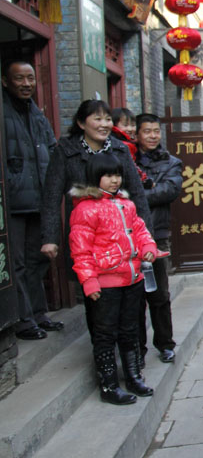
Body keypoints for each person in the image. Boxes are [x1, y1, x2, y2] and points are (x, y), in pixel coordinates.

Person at [68, 154, 157, 405]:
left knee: (130, 330)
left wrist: (148, 246)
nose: (114, 180)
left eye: (117, 175)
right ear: (95, 178)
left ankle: (133, 376)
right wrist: (89, 280)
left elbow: (139, 230)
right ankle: (108, 385)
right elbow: (80, 249)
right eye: (108, 175)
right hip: (105, 283)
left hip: (132, 278)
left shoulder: (126, 205)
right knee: (105, 333)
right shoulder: (85, 209)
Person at [40, 100, 150, 273]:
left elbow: (137, 194)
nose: (104, 124)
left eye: (107, 119)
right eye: (98, 119)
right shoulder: (66, 151)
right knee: (91, 286)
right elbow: (51, 197)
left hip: (120, 234)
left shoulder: (120, 150)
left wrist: (147, 238)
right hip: (85, 236)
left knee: (126, 285)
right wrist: (50, 238)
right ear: (81, 123)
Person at [2, 60, 64, 340]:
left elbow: (52, 149)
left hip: (39, 198)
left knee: (38, 259)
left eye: (30, 78)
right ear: (5, 81)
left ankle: (39, 314)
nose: (27, 84)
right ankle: (24, 320)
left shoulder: (37, 114)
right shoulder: (3, 111)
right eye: (19, 79)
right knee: (15, 264)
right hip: (12, 202)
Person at [134, 113, 181, 364]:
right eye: (147, 131)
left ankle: (165, 344)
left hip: (157, 234)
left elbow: (170, 190)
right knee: (135, 297)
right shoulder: (127, 159)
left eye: (156, 131)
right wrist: (147, 190)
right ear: (136, 134)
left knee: (160, 293)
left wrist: (136, 194)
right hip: (129, 236)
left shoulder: (171, 162)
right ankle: (137, 349)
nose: (152, 136)